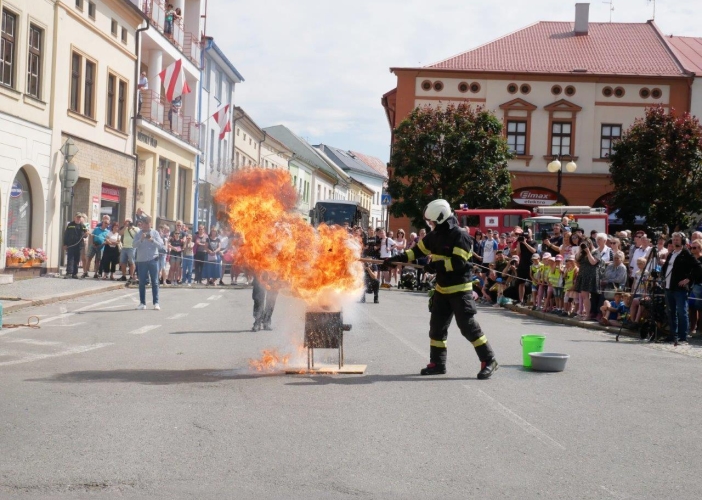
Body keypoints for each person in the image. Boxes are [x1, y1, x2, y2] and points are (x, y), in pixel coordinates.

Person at [385, 199, 498, 379]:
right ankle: (438, 363)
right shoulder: (435, 234)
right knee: (436, 328)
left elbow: (458, 262)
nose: (430, 225)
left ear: (441, 218)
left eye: (432, 221)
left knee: (468, 327)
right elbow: (417, 251)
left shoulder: (460, 235)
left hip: (460, 290)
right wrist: (396, 258)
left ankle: (489, 360)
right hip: (442, 289)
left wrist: (435, 266)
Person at [660, 232, 702, 344]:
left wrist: (689, 279)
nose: (675, 241)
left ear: (682, 241)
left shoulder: (686, 254)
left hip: (679, 289)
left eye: (677, 239)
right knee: (671, 312)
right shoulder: (671, 254)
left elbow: (698, 267)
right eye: (673, 239)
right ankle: (673, 335)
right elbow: (665, 269)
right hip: (669, 287)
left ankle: (683, 336)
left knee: (682, 312)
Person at [133, 216, 164, 310]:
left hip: (153, 259)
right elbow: (133, 245)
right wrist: (141, 239)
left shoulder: (155, 233)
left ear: (150, 224)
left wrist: (152, 240)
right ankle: (142, 303)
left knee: (155, 282)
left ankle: (156, 303)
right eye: (143, 224)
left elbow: (161, 246)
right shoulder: (138, 233)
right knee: (142, 282)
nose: (145, 226)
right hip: (142, 260)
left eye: (147, 224)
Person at [574, 237, 601, 321]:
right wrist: (580, 249)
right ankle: (587, 313)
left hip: (591, 276)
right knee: (584, 295)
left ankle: (589, 314)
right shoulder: (583, 253)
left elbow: (593, 262)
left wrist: (588, 252)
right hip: (583, 275)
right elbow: (577, 261)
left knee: (592, 296)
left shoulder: (596, 252)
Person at [514, 227, 537, 306]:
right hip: (522, 265)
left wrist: (525, 243)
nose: (526, 233)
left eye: (528, 232)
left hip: (531, 265)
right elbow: (518, 252)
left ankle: (533, 301)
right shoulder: (521, 242)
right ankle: (521, 300)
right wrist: (519, 243)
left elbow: (534, 251)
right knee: (521, 283)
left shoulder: (534, 242)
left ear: (531, 234)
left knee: (533, 283)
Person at [63, 213, 88, 279]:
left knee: (76, 260)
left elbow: (86, 235)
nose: (78, 218)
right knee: (70, 259)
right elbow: (66, 235)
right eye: (77, 217)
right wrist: (65, 244)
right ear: (75, 217)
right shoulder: (70, 225)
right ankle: (69, 273)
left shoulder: (82, 225)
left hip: (79, 245)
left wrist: (86, 234)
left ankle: (74, 273)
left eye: (79, 217)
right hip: (71, 244)